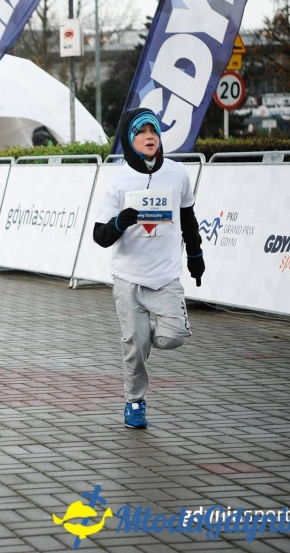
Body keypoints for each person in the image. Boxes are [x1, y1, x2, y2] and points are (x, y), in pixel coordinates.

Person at [92, 108, 206, 430]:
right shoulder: (118, 181)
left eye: (153, 131)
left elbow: (189, 221)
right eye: (141, 133)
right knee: (134, 346)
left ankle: (142, 338)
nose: (149, 138)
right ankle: (135, 402)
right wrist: (121, 221)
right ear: (131, 139)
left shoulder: (177, 174)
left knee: (174, 337)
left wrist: (195, 256)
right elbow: (100, 236)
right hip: (128, 278)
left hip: (166, 277)